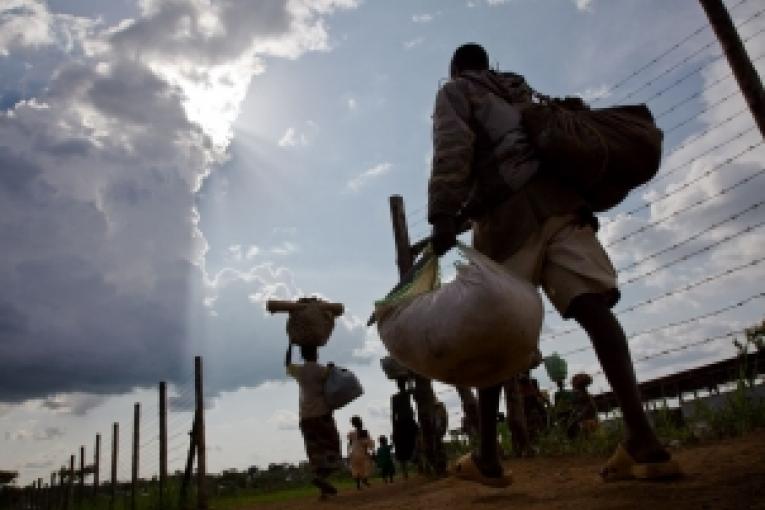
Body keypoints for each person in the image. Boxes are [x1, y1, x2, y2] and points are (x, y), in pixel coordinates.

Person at [427, 42, 679, 487]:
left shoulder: (456, 91)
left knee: (493, 333)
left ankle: (487, 455)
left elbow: (453, 148)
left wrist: (443, 214)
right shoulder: (520, 89)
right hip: (563, 206)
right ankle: (643, 438)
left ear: (456, 68)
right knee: (594, 308)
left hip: (507, 221)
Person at [285, 342, 340, 499]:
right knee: (331, 448)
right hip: (322, 415)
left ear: (302, 355)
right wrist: (331, 366)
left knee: (315, 452)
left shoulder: (299, 371)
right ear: (316, 354)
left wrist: (290, 345)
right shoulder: (321, 370)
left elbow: (287, 364)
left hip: (306, 417)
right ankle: (322, 479)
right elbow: (332, 375)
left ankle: (323, 491)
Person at [390, 377, 418, 479]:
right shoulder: (406, 394)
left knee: (405, 446)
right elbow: (393, 414)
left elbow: (393, 414)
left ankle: (405, 472)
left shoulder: (399, 396)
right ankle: (409, 471)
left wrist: (394, 428)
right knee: (410, 444)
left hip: (402, 423)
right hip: (406, 422)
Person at [568, 372, 599, 438]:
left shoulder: (580, 395)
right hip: (591, 421)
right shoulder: (587, 395)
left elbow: (583, 411)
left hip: (586, 423)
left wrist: (576, 418)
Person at [348, 415, 375, 489]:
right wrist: (371, 451)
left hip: (353, 452)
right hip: (362, 452)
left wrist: (349, 453)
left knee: (356, 469)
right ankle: (364, 480)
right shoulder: (364, 432)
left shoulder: (351, 433)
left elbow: (350, 444)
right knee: (366, 467)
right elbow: (366, 443)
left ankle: (358, 485)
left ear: (353, 424)